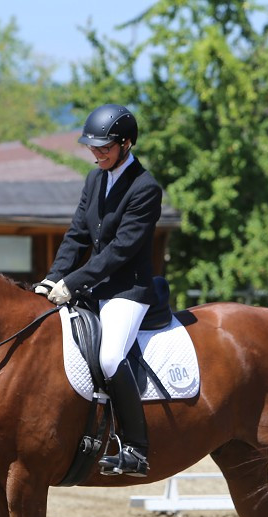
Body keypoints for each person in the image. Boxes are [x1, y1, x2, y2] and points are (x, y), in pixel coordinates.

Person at [32, 103, 163, 477]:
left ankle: (136, 447)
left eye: (104, 147)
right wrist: (52, 278)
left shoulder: (145, 187)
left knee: (109, 358)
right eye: (93, 146)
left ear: (126, 143)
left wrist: (72, 283)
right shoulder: (94, 180)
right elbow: (77, 235)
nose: (97, 152)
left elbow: (122, 249)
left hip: (127, 290)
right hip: (92, 287)